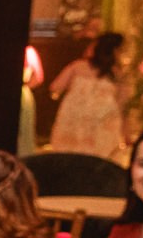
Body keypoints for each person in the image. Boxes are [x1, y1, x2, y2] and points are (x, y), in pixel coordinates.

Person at [47, 30, 128, 161]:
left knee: (70, 160)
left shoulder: (77, 67)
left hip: (72, 124)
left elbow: (55, 87)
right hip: (103, 127)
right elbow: (123, 104)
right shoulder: (118, 75)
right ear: (115, 51)